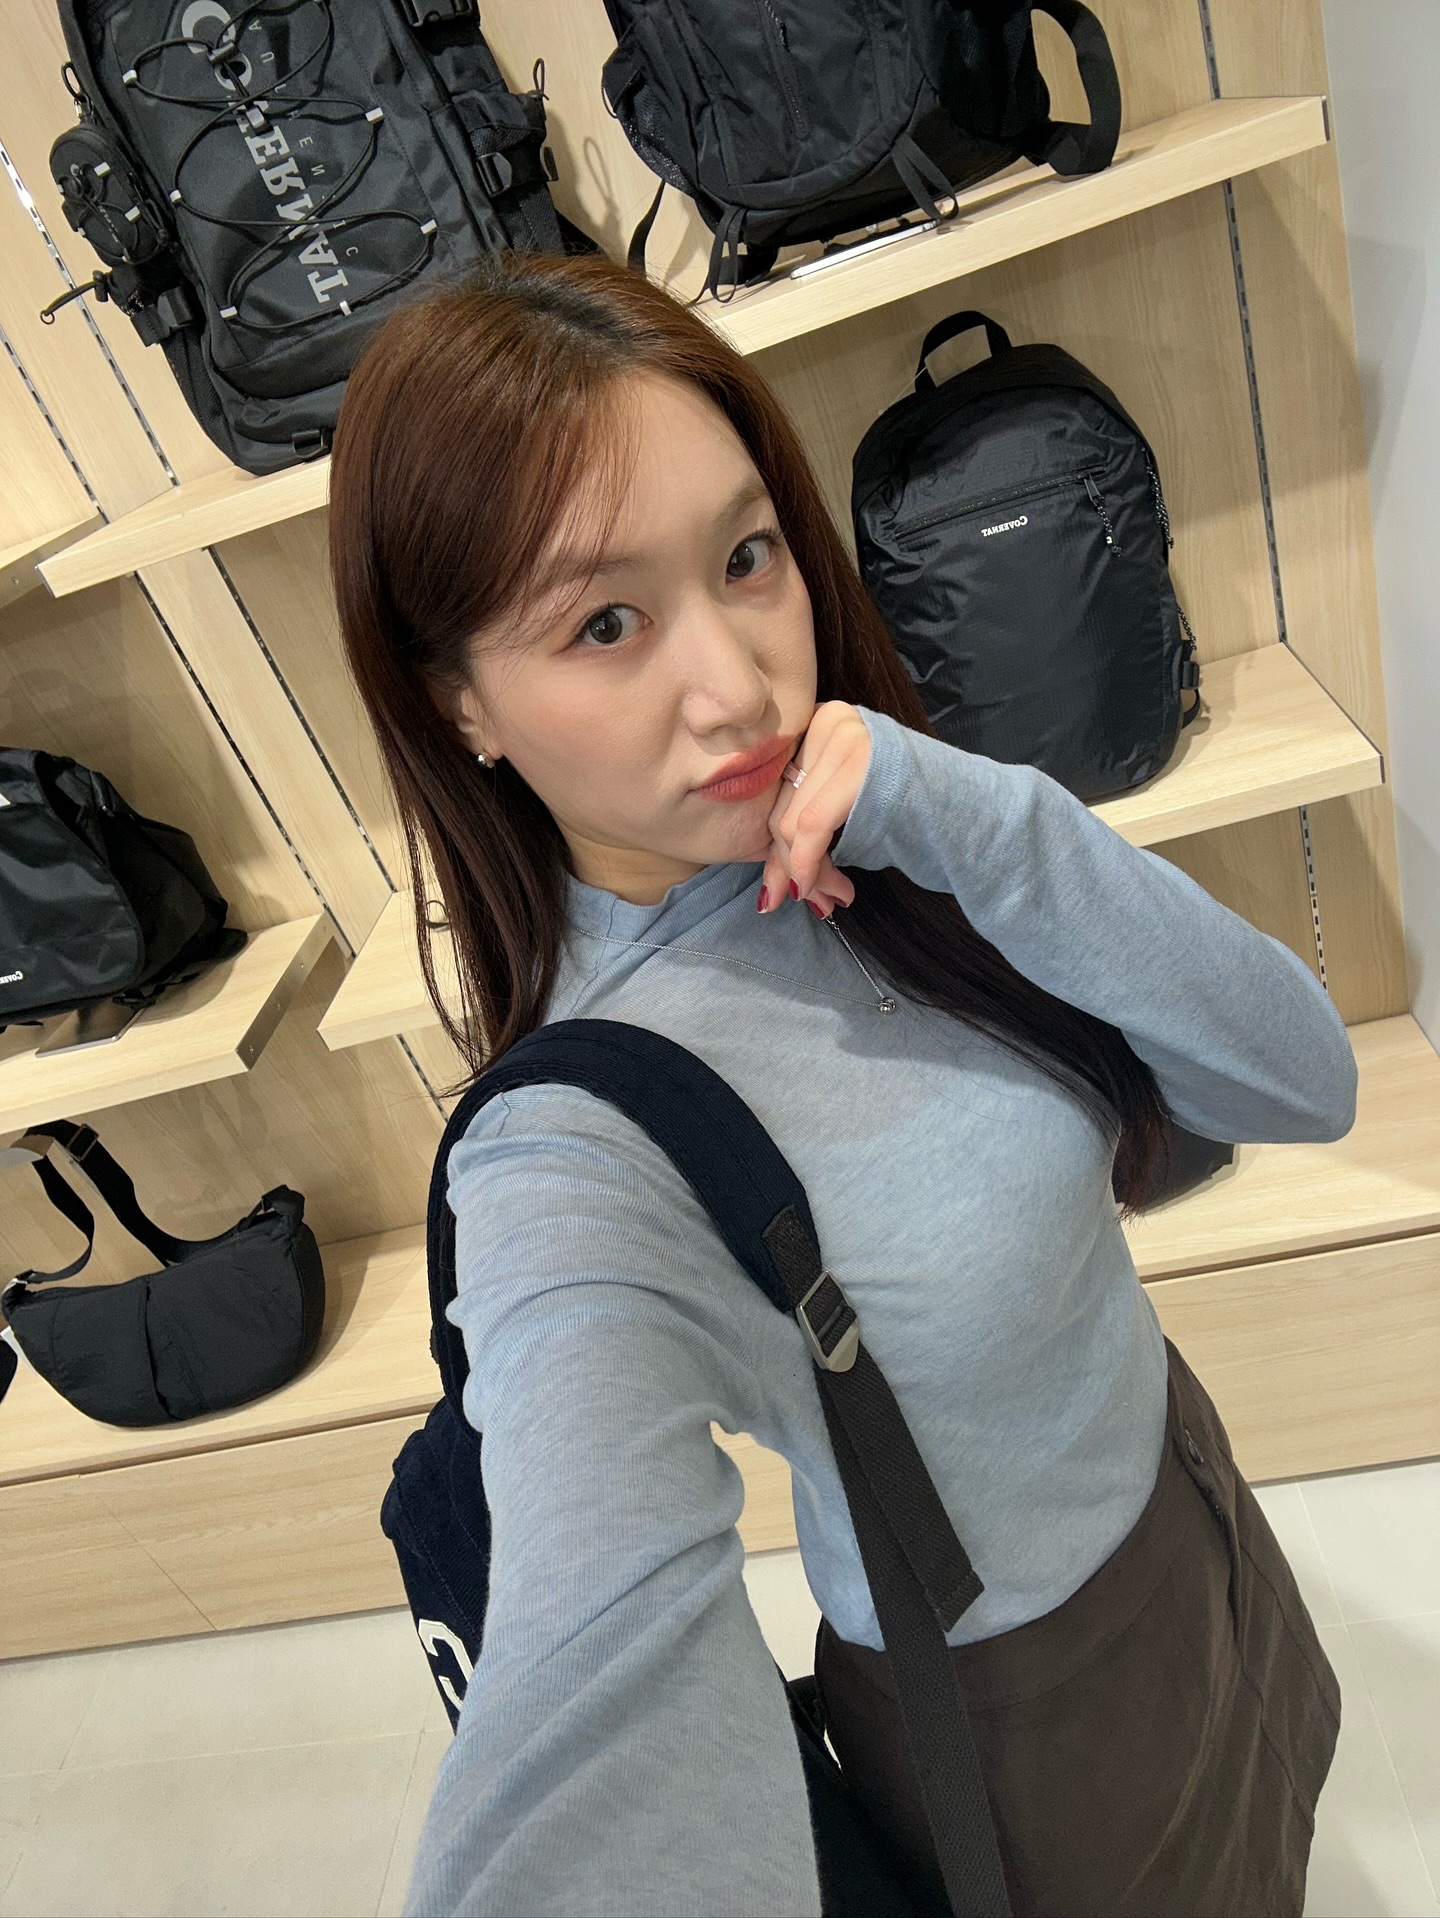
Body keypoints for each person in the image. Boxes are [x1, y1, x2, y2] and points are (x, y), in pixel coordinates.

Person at [329, 252, 1351, 1918]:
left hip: (1189, 1498)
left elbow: (1302, 1079)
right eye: (605, 623)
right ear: (461, 707)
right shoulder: (576, 1150)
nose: (738, 686)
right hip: (1033, 1725)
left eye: (747, 556)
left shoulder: (896, 832)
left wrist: (973, 815)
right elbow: (596, 1661)